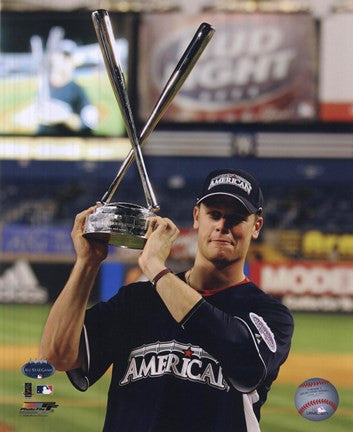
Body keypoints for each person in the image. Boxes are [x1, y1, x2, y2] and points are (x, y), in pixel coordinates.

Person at [40, 168, 294, 432]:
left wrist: (154, 267)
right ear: (197, 217)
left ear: (256, 226)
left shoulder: (269, 315)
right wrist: (87, 263)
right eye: (214, 214)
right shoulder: (138, 301)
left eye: (237, 218)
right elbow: (56, 356)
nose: (222, 226)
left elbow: (246, 363)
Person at [36, 39, 98, 136]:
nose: (65, 61)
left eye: (68, 58)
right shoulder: (45, 86)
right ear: (54, 58)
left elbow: (87, 124)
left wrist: (65, 117)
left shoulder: (76, 90)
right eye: (62, 56)